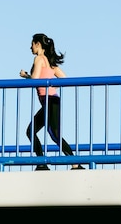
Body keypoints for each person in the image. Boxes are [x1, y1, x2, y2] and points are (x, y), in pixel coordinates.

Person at [19, 33, 84, 170]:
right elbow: (65, 79)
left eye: (32, 44)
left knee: (37, 132)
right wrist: (51, 86)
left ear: (38, 44)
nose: (30, 47)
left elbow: (35, 80)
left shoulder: (39, 59)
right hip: (52, 100)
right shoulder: (50, 61)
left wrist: (26, 76)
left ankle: (45, 162)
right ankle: (71, 163)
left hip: (49, 101)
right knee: (52, 134)